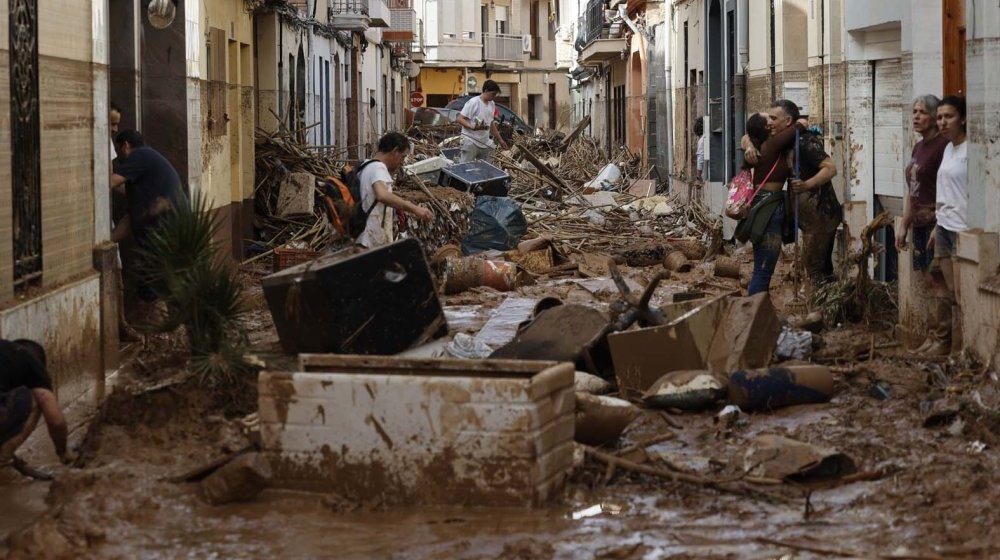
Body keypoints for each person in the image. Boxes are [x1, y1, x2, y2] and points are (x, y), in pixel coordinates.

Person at [896, 95, 950, 354]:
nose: (916, 116)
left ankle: (943, 339)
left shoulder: (942, 147)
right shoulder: (918, 147)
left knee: (938, 280)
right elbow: (912, 190)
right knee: (928, 280)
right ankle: (932, 336)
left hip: (935, 222)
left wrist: (940, 224)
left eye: (922, 112)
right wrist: (904, 223)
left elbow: (948, 188)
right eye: (914, 111)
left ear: (934, 117)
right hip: (918, 222)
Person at [736, 110, 810, 295]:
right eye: (768, 118)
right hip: (768, 210)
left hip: (765, 206)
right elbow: (799, 125)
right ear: (766, 127)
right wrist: (799, 122)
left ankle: (759, 307)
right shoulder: (771, 145)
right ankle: (754, 309)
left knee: (762, 269)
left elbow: (746, 136)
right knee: (763, 270)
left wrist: (747, 143)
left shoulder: (762, 146)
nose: (771, 120)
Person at [927, 95, 968, 355]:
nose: (942, 122)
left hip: (962, 229)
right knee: (944, 286)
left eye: (949, 116)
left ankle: (961, 350)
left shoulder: (972, 149)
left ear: (962, 119)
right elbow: (944, 192)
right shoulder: (948, 149)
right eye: (940, 117)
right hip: (943, 226)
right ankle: (946, 344)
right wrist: (937, 224)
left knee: (960, 292)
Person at [0, 339, 71, 470]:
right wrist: (63, 452)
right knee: (39, 398)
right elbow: (56, 421)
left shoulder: (6, 355)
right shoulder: (31, 362)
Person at [356, 132, 434, 249]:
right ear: (395, 151)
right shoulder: (378, 168)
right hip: (370, 243)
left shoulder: (365, 165)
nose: (402, 161)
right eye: (403, 156)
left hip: (362, 239)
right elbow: (382, 195)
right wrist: (415, 209)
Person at [456, 80, 510, 163]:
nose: (494, 96)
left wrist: (500, 140)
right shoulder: (473, 102)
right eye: (493, 94)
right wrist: (472, 127)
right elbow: (460, 118)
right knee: (465, 167)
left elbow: (491, 123)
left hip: (484, 142)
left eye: (495, 94)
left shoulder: (492, 104)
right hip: (470, 140)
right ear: (486, 90)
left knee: (488, 167)